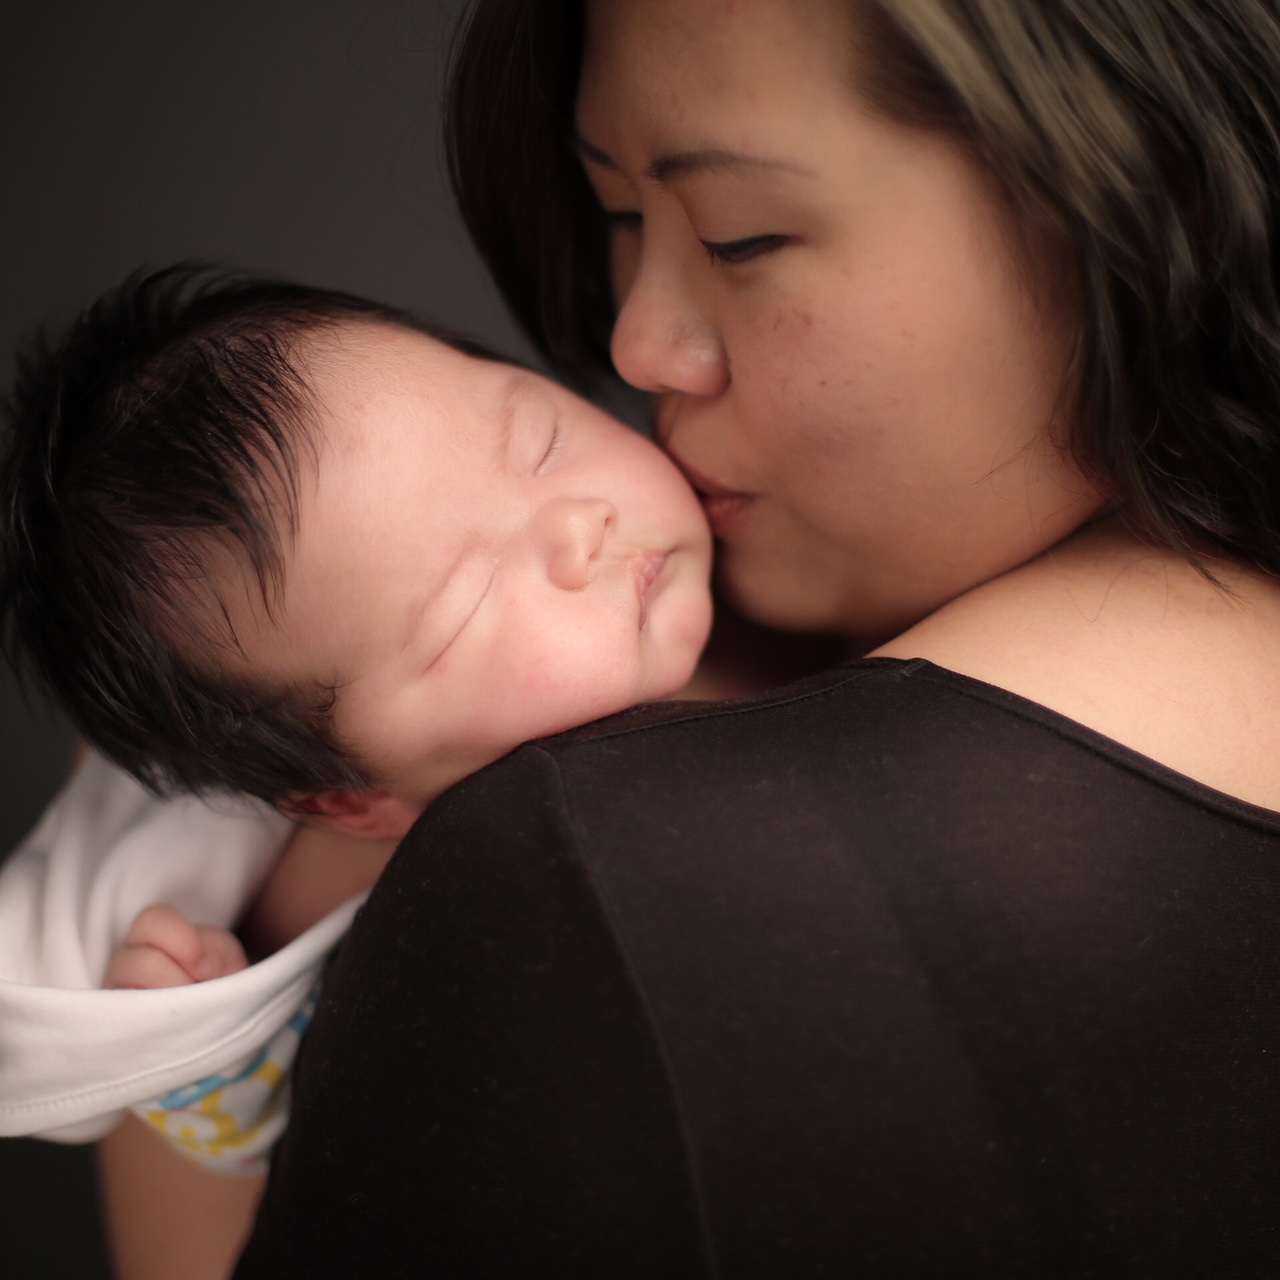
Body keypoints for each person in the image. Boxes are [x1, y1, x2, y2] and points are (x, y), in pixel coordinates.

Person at [229, 0, 1280, 1275]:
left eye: (741, 233)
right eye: (619, 216)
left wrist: (171, 1106)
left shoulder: (591, 873)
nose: (636, 343)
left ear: (1139, 196)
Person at [0, 267, 713, 1245]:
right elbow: (261, 1139)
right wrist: (206, 1045)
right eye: (465, 604)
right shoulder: (355, 894)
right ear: (351, 798)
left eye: (540, 439)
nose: (576, 525)